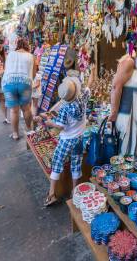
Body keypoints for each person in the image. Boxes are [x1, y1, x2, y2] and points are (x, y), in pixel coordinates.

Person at [35, 77, 84, 207]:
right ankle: (74, 191)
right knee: (76, 162)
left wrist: (49, 122)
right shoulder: (82, 99)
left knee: (56, 163)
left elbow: (60, 126)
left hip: (67, 139)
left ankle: (52, 194)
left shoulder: (65, 108)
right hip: (79, 137)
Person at [2, 37, 35, 140]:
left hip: (9, 83)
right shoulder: (31, 56)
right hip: (24, 83)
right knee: (26, 108)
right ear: (27, 46)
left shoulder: (10, 54)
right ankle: (29, 130)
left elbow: (6, 69)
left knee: (14, 111)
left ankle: (15, 134)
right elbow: (33, 74)